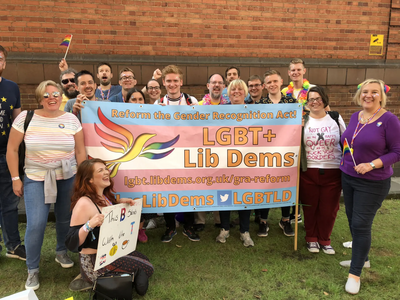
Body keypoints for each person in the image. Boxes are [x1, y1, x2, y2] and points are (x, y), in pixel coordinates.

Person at [6, 80, 86, 290]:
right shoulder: (26, 117)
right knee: (36, 224)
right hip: (36, 177)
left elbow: (80, 151)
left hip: (68, 176)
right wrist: (15, 178)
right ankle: (32, 269)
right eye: (47, 95)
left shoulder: (71, 119)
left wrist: (82, 176)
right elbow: (12, 149)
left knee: (65, 218)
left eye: (56, 94)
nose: (52, 98)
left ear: (62, 97)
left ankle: (61, 251)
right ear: (40, 98)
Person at [339, 79, 400, 294]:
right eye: (365, 91)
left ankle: (355, 275)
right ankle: (362, 259)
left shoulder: (389, 120)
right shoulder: (357, 116)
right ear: (359, 94)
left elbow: (397, 151)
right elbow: (350, 140)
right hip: (349, 177)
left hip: (373, 182)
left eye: (374, 92)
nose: (369, 95)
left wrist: (372, 164)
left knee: (361, 224)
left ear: (382, 95)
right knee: (352, 220)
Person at [66, 158, 154, 296]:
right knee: (148, 268)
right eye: (100, 170)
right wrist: (89, 225)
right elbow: (71, 242)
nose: (106, 172)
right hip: (95, 261)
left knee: (145, 261)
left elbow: (108, 213)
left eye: (106, 169)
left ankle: (121, 278)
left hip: (110, 253)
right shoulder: (84, 203)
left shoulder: (105, 197)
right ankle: (94, 279)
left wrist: (120, 203)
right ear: (90, 180)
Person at [156, 65, 200, 242]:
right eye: (169, 81)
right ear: (163, 82)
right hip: (166, 154)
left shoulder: (192, 102)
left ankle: (189, 226)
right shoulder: (158, 104)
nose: (172, 84)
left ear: (181, 82)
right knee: (167, 190)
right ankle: (170, 227)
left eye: (175, 81)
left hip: (187, 155)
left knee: (188, 190)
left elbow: (199, 128)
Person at [299, 86, 345, 254]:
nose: (314, 102)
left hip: (332, 171)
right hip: (309, 170)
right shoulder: (303, 119)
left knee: (329, 208)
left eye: (318, 98)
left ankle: (325, 239)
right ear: (307, 102)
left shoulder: (335, 118)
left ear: (324, 100)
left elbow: (346, 142)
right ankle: (311, 238)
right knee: (310, 207)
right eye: (311, 99)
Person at [255, 70, 297, 237]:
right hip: (266, 153)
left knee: (285, 184)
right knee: (267, 185)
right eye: (269, 82)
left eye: (275, 81)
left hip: (286, 152)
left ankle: (285, 220)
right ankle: (263, 221)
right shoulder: (260, 104)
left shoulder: (291, 102)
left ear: (281, 82)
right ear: (264, 86)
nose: (272, 85)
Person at [216, 79, 254, 247]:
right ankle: (224, 229)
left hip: (246, 162)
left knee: (245, 196)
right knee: (225, 196)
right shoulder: (219, 111)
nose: (236, 92)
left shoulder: (254, 112)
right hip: (224, 161)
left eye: (240, 89)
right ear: (228, 93)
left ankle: (245, 231)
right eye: (233, 89)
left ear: (245, 93)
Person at [0, 44, 25, 260]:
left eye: (0, 59)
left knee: (9, 203)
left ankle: (13, 246)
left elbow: (17, 122)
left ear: (4, 63)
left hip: (5, 155)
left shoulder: (12, 88)